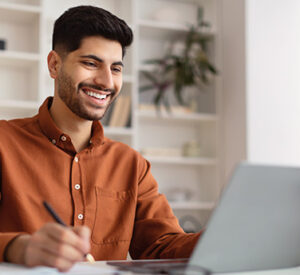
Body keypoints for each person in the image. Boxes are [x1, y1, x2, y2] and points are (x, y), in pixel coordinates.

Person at [0, 5, 201, 272]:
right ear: (54, 64)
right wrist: (19, 247)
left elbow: (162, 247)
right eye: (91, 63)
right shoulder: (4, 142)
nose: (106, 81)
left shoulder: (132, 164)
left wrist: (222, 239)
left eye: (116, 68)